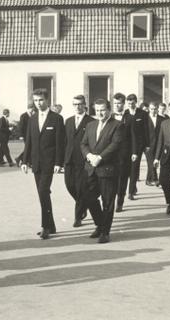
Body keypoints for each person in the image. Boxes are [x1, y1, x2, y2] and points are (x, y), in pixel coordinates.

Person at [21, 88, 65, 240]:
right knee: (43, 193)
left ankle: (45, 226)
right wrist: (25, 160)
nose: (38, 103)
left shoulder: (57, 119)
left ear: (47, 100)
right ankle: (51, 225)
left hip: (50, 162)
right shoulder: (32, 119)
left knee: (43, 191)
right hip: (36, 162)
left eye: (41, 100)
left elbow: (60, 143)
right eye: (35, 100)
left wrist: (59, 162)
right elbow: (29, 141)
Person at [80, 99, 124, 243]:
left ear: (109, 110)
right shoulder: (90, 124)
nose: (100, 113)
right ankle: (100, 224)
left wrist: (100, 157)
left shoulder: (117, 125)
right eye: (97, 110)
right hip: (91, 168)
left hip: (107, 169)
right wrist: (89, 155)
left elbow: (115, 144)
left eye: (103, 110)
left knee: (107, 202)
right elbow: (83, 143)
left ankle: (105, 232)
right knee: (89, 198)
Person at [64, 95, 94, 227]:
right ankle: (84, 204)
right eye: (75, 104)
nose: (77, 107)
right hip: (69, 159)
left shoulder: (91, 122)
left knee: (81, 188)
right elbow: (65, 141)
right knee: (70, 185)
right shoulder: (68, 121)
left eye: (80, 104)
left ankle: (78, 216)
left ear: (85, 105)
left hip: (83, 160)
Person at [111, 93, 135, 213]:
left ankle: (120, 201)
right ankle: (110, 201)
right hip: (110, 154)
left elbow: (134, 136)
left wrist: (134, 152)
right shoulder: (109, 117)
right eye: (115, 103)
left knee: (122, 179)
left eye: (119, 103)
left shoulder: (129, 118)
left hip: (124, 154)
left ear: (123, 104)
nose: (117, 105)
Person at [124, 94, 149, 199]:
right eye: (129, 103)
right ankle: (133, 187)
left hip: (138, 145)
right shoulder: (125, 114)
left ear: (136, 102)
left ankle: (130, 192)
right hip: (126, 145)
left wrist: (147, 145)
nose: (131, 105)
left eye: (133, 103)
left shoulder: (142, 114)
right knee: (128, 168)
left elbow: (146, 130)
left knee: (134, 168)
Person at [145, 102, 165, 186]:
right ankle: (155, 179)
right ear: (149, 109)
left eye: (155, 109)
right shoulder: (145, 118)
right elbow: (143, 133)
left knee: (154, 161)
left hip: (158, 144)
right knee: (151, 162)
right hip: (148, 145)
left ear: (157, 109)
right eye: (151, 109)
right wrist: (145, 145)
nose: (153, 111)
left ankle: (148, 180)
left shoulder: (161, 119)